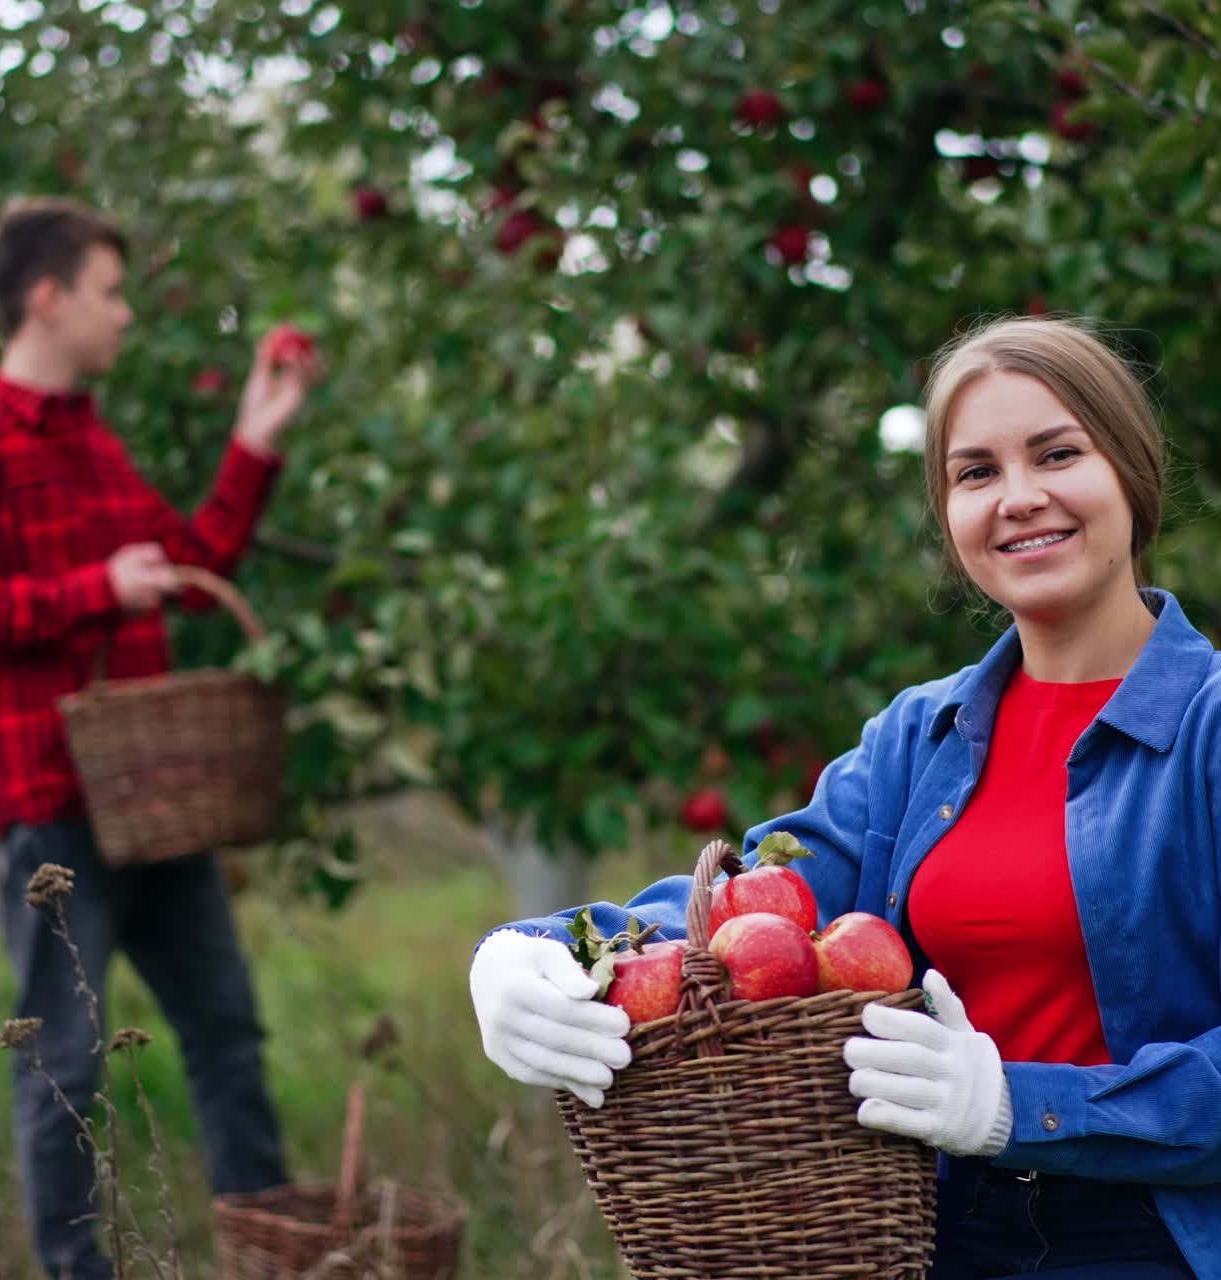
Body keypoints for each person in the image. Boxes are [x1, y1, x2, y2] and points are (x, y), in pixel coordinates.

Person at [469, 315, 1218, 1279]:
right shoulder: (923, 736)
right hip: (918, 1232)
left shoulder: (1206, 728)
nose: (1020, 498)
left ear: (1131, 473)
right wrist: (537, 949)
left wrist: (1020, 1105)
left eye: (1058, 454)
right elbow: (761, 905)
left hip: (1151, 1243)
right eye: (976, 472)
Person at [0, 197, 320, 1280]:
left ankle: (273, 1251)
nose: (125, 313)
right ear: (48, 297)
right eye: (111, 291)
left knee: (228, 1032)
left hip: (150, 796)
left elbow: (192, 560)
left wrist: (256, 434)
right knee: (63, 1060)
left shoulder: (91, 442)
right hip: (49, 802)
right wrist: (89, 590)